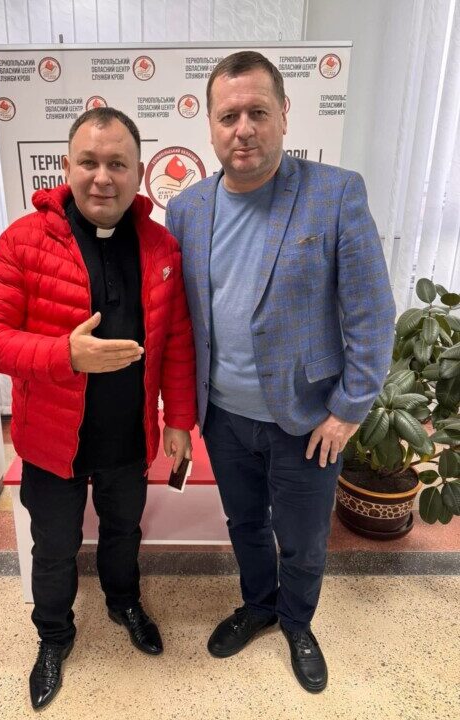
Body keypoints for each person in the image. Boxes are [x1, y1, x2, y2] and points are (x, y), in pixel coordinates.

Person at [166, 51, 396, 693]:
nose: (243, 129)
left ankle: (297, 622)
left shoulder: (335, 193)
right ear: (210, 125)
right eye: (228, 116)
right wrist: (179, 412)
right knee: (244, 525)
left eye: (258, 112)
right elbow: (181, 323)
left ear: (285, 115)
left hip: (307, 419)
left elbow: (373, 314)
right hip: (223, 417)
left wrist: (348, 411)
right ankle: (258, 605)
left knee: (302, 538)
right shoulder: (186, 210)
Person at [0, 107, 196, 710]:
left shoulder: (162, 247)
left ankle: (124, 604)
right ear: (67, 167)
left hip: (128, 438)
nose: (102, 177)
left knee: (123, 532)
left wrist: (178, 420)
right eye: (88, 162)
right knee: (54, 548)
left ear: (138, 172)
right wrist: (63, 354)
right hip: (51, 441)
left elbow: (176, 342)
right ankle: (53, 636)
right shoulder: (23, 241)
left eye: (117, 163)